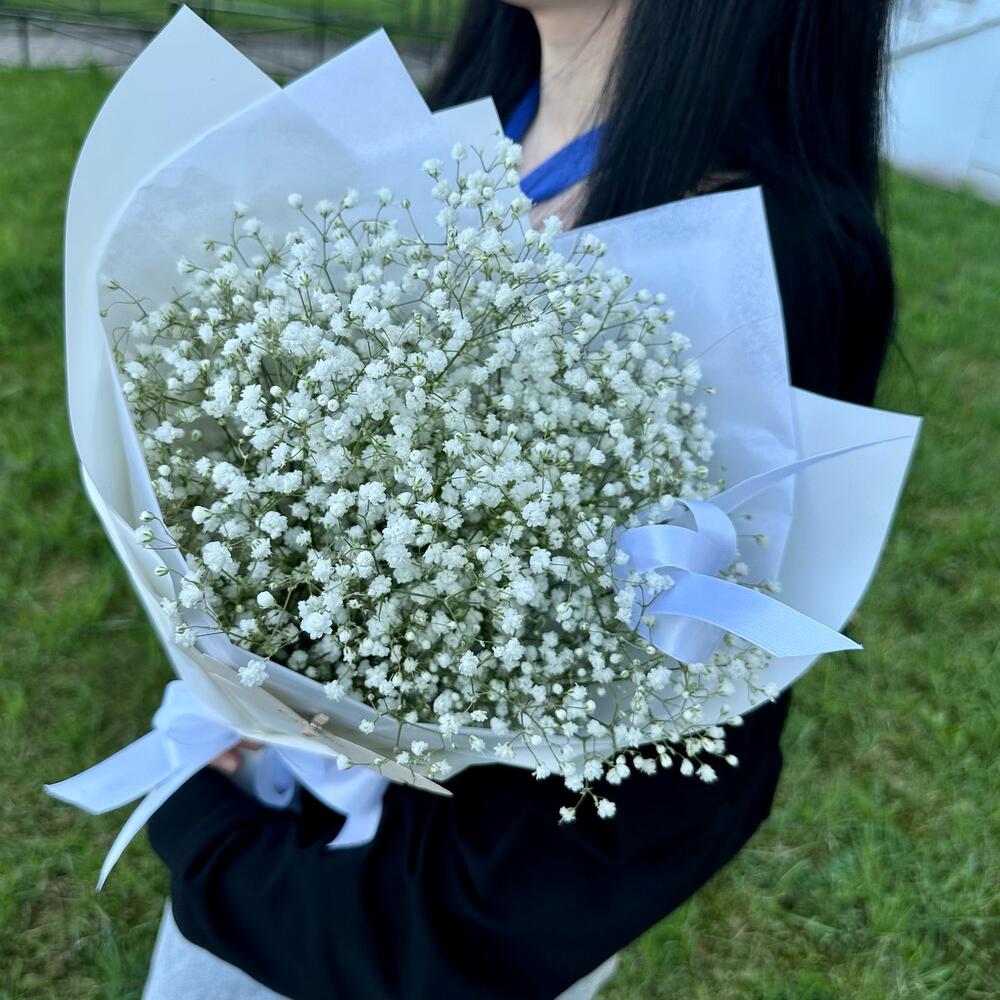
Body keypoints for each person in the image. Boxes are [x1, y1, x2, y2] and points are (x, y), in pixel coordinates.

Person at [144, 1, 897, 997]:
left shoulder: (761, 258)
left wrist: (210, 836)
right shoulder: (450, 127)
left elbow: (625, 803)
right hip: (267, 797)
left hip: (390, 922)